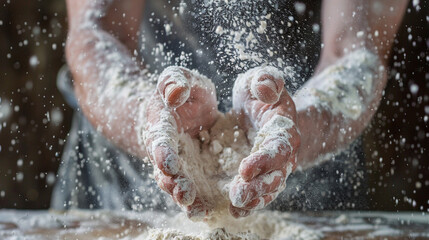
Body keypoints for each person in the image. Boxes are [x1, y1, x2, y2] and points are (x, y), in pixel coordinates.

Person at [53, 0, 409, 219]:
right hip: (126, 161)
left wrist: (292, 128)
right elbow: (98, 32)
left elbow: (353, 50)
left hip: (308, 150)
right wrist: (147, 119)